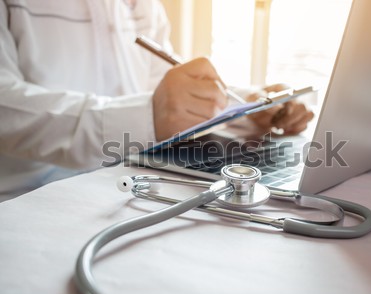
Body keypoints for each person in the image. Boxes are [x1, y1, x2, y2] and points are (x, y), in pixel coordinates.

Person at [0, 0, 313, 201]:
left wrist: (251, 107)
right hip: (29, 199)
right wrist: (148, 117)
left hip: (131, 184)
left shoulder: (143, 5)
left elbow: (161, 92)